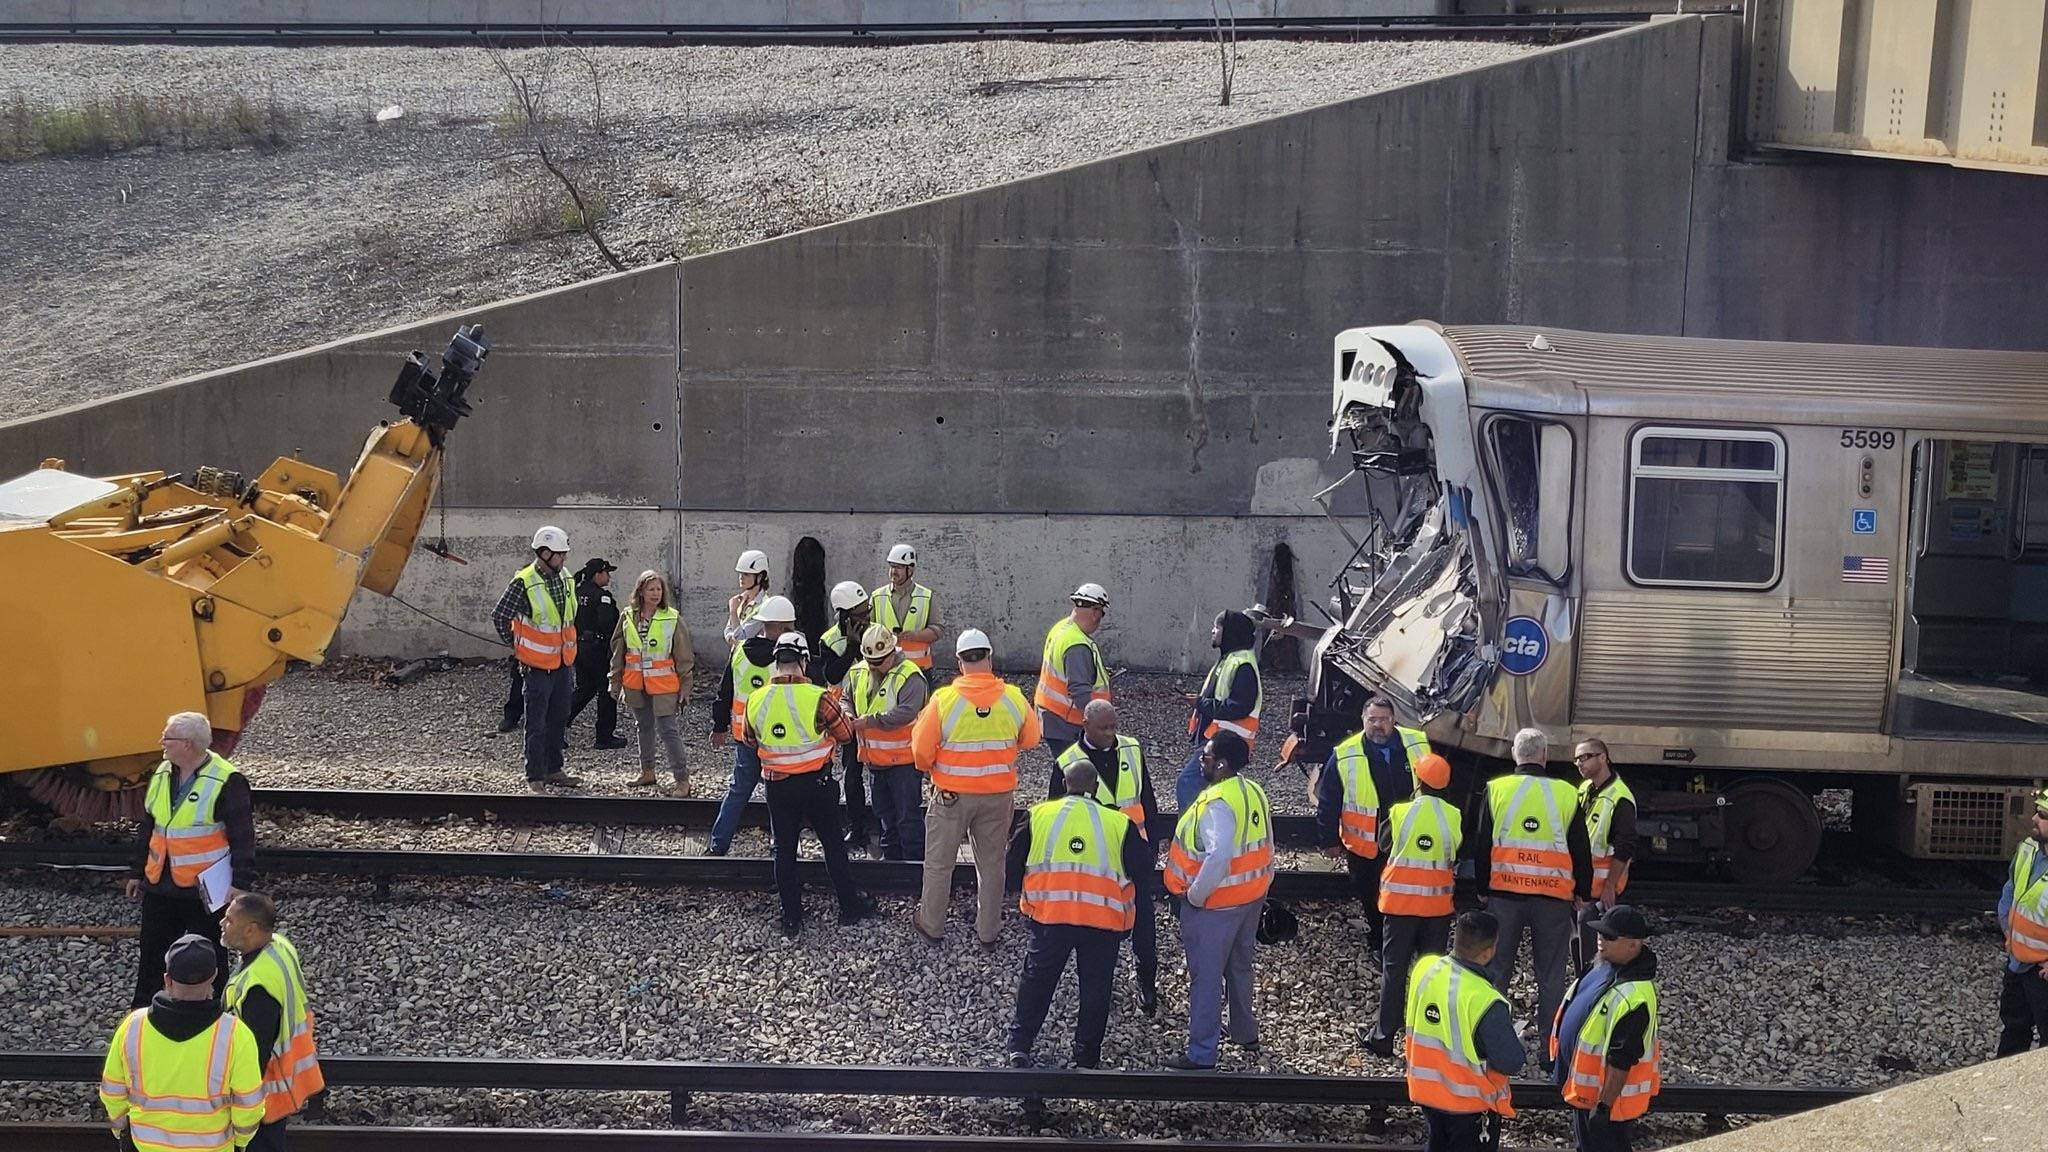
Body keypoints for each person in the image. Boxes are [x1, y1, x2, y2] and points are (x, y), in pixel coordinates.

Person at [1005, 759, 1153, 1069]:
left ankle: (1020, 1046)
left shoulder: (1037, 816)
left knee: (1037, 982)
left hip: (1050, 918)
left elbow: (1011, 865)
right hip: (1103, 922)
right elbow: (1142, 867)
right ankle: (1086, 1056)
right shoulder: (1118, 823)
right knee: (1096, 990)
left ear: (1063, 785)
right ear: (1096, 787)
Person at [741, 632, 878, 936]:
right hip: (817, 783)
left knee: (784, 850)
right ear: (803, 661)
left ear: (776, 662)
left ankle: (791, 918)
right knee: (832, 845)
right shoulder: (818, 697)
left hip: (778, 786)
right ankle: (849, 906)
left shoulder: (756, 699)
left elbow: (749, 739)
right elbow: (845, 735)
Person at [911, 628, 1040, 946]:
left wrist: (936, 769)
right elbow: (1032, 739)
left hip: (952, 796)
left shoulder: (944, 701)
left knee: (940, 863)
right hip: (997, 796)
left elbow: (920, 753)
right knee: (992, 865)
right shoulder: (1013, 698)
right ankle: (988, 931)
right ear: (989, 658)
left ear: (959, 661)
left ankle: (932, 924)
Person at [1477, 727, 1592, 1067]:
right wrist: (1582, 892)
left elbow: (1482, 843)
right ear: (1544, 756)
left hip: (1504, 895)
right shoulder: (1566, 794)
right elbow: (1580, 849)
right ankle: (1549, 1050)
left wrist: (1482, 888)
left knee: (1497, 971)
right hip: (1553, 898)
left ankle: (1494, 1048)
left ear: (1515, 754)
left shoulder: (1496, 789)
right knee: (1551, 974)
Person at [126, 711, 255, 1009]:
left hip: (204, 891)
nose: (161, 742)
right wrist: (136, 871)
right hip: (161, 884)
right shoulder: (162, 773)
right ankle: (144, 1013)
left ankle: (215, 1012)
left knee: (210, 955)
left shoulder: (227, 780)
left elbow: (242, 835)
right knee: (152, 956)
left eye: (167, 738)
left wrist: (240, 883)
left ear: (187, 744)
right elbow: (149, 826)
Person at [1162, 731, 1270, 1071]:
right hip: (1250, 897)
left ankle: (1202, 1052)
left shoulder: (1216, 804)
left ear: (1221, 764)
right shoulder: (1252, 791)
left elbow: (1219, 856)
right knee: (1239, 966)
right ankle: (1244, 1031)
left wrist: (1195, 895)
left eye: (1206, 757)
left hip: (1215, 906)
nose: (1201, 761)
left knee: (1206, 978)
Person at [101, 933, 265, 1152]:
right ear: (214, 976)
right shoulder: (235, 1034)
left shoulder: (133, 1027)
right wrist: (240, 1142)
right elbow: (249, 1106)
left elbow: (112, 1092)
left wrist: (122, 1129)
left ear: (167, 979)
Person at [1055, 699, 1162, 1014]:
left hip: (1134, 854)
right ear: (1085, 725)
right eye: (1104, 728)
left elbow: (1148, 799)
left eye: (1114, 726)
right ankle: (1099, 987)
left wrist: (1152, 844)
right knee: (1100, 928)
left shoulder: (1130, 749)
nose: (1111, 733)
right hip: (1096, 862)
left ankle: (1147, 981)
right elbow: (1057, 813)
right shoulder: (1068, 761)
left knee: (1143, 923)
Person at [1364, 752, 1460, 1058]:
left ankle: (1383, 1036)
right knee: (1430, 975)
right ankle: (1425, 1041)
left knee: (1395, 971)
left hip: (1400, 906)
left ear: (1418, 781)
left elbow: (1382, 845)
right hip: (1437, 909)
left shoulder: (1399, 812)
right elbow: (1456, 852)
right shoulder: (1454, 815)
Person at [1317, 696, 1428, 962]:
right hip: (1367, 846)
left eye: (1384, 720)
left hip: (1408, 841)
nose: (1379, 726)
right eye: (1373, 720)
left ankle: (1409, 941)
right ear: (1363, 721)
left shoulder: (1417, 743)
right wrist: (1328, 840)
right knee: (1373, 897)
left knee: (1407, 893)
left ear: (1394, 721)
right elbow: (1328, 801)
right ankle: (1379, 941)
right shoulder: (1345, 754)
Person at [1405, 911, 1523, 1152]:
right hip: (1470, 1108)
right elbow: (1511, 1061)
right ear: (1489, 951)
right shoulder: (1486, 1000)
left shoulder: (1425, 970)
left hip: (1429, 1095)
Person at [1550, 905, 1661, 1152]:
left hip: (1606, 1102)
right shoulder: (1605, 965)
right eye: (1600, 933)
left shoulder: (1636, 996)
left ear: (1633, 945)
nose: (1600, 940)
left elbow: (1621, 1058)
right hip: (1585, 1092)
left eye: (1609, 937)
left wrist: (1604, 1108)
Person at [221, 893, 323, 1151]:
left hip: (265, 1097)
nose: (222, 923)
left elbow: (255, 1056)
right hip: (286, 1080)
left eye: (229, 920)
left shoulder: (258, 987)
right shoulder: (279, 945)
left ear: (250, 929)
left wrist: (236, 1101)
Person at [491, 525, 583, 792]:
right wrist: (518, 647)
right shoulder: (524, 581)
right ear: (544, 553)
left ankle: (554, 769)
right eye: (560, 554)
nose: (564, 559)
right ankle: (534, 776)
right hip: (536, 667)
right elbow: (500, 616)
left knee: (558, 718)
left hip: (563, 663)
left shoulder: (565, 577)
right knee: (536, 722)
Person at [708, 594, 798, 855]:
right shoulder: (788, 659)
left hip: (744, 736)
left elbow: (725, 692)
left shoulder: (739, 652)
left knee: (738, 790)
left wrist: (719, 726)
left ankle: (718, 844)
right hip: (778, 738)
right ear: (782, 627)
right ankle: (781, 847)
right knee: (778, 794)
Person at [847, 623, 929, 861]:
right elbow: (845, 697)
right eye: (870, 661)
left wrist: (869, 722)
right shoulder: (859, 672)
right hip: (875, 762)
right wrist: (848, 713)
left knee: (907, 817)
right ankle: (892, 862)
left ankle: (913, 863)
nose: (874, 667)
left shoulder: (910, 675)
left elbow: (906, 712)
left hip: (904, 762)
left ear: (893, 652)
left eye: (879, 661)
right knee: (884, 815)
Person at [611, 570, 694, 796]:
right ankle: (647, 772)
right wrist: (615, 681)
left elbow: (684, 656)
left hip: (664, 686)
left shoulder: (672, 618)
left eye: (659, 589)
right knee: (643, 728)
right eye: (651, 589)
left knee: (669, 731)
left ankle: (682, 779)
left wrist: (686, 688)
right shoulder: (628, 617)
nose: (656, 593)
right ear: (641, 591)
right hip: (636, 684)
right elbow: (619, 651)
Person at [1176, 609, 1264, 810]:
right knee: (1209, 792)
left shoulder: (1241, 664)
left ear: (1230, 632)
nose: (1213, 631)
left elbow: (1240, 706)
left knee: (1188, 784)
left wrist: (1201, 703)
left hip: (1224, 742)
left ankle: (1192, 835)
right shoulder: (1232, 659)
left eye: (1218, 627)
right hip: (1218, 740)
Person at [1033, 583, 1112, 786]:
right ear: (1095, 612)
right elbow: (1080, 692)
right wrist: (1097, 726)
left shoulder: (1062, 629)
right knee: (1075, 773)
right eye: (1101, 614)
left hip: (1052, 716)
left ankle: (1055, 809)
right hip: (1066, 722)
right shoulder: (1077, 645)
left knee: (1063, 768)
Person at [818, 581, 877, 852]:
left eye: (867, 611)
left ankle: (883, 827)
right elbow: (830, 675)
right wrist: (852, 649)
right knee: (852, 774)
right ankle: (857, 830)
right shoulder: (830, 640)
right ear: (844, 615)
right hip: (844, 716)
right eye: (860, 613)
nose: (866, 618)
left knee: (880, 774)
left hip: (874, 713)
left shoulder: (877, 634)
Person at [1574, 738, 1637, 975]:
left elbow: (1625, 846)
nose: (1579, 763)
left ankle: (1594, 985)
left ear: (1603, 758)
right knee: (1580, 943)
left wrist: (1610, 885)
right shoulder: (1585, 790)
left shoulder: (1619, 797)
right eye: (1577, 759)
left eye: (1584, 757)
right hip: (1584, 886)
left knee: (1596, 950)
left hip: (1601, 890)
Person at [1996, 787, 2048, 1056]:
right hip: (2018, 964)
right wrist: (2009, 932)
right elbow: (2011, 891)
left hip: (2042, 972)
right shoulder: (2029, 849)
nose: (2034, 820)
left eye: (2043, 815)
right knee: (2014, 1031)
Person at [566, 557, 627, 749]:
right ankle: (604, 736)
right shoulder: (602, 597)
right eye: (606, 573)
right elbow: (607, 624)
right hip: (597, 649)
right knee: (607, 691)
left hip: (578, 646)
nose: (609, 577)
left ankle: (557, 722)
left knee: (585, 688)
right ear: (597, 574)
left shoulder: (575, 592)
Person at [872, 543, 941, 673]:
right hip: (885, 669)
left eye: (899, 567)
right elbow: (869, 630)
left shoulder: (927, 597)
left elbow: (937, 630)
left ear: (911, 569)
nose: (893, 572)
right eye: (892, 566)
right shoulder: (877, 596)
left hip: (918, 670)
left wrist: (916, 635)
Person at [725, 549, 771, 647]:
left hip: (751, 661)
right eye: (740, 573)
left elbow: (742, 638)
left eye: (746, 574)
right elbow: (728, 630)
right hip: (737, 660)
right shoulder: (740, 600)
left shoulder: (765, 605)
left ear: (760, 577)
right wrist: (730, 637)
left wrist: (733, 612)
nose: (741, 577)